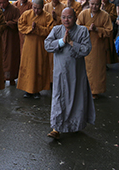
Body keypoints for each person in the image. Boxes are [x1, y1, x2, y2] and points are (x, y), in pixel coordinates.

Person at [44, 7, 94, 139]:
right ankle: (56, 128)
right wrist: (61, 41)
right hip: (60, 72)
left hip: (76, 73)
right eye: (64, 17)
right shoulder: (57, 30)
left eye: (69, 17)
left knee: (76, 99)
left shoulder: (82, 31)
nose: (66, 20)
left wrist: (72, 43)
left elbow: (86, 49)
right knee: (59, 98)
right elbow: (47, 45)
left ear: (75, 17)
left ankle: (75, 125)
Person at [76, 0, 113, 99]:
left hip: (98, 46)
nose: (94, 6)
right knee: (83, 68)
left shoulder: (105, 15)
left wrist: (97, 30)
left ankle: (95, 91)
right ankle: (82, 89)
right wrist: (88, 28)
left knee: (97, 69)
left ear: (100, 4)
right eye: (92, 4)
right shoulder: (83, 13)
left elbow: (109, 31)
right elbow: (77, 27)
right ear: (89, 3)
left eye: (96, 4)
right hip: (84, 45)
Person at [17, 0, 54, 99]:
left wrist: (37, 28)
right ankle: (27, 90)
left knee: (39, 67)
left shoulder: (47, 16)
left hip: (40, 46)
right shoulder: (26, 14)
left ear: (42, 7)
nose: (36, 10)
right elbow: (20, 25)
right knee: (28, 67)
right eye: (34, 8)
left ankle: (37, 90)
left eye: (38, 8)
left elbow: (50, 30)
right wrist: (30, 29)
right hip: (28, 46)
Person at [0, 0, 21, 86]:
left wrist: (7, 23)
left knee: (11, 57)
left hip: (11, 37)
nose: (2, 5)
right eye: (0, 3)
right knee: (0, 57)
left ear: (8, 1)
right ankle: (1, 77)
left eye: (3, 3)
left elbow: (18, 21)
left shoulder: (14, 10)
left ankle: (11, 78)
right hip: (0, 36)